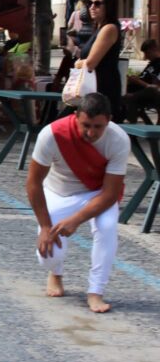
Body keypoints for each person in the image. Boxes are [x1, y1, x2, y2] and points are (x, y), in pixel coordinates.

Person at [27, 93, 127, 313]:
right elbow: (33, 183)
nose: (91, 133)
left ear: (109, 120)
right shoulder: (52, 134)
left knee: (107, 227)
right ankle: (55, 272)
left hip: (97, 193)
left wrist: (77, 219)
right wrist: (45, 226)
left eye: (98, 127)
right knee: (48, 257)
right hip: (59, 190)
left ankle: (95, 291)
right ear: (75, 117)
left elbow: (111, 193)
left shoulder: (119, 139)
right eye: (86, 125)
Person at [76, 0, 124, 122]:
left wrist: (78, 63)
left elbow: (91, 63)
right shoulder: (99, 28)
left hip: (103, 88)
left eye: (97, 4)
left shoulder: (109, 28)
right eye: (90, 3)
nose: (92, 7)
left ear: (108, 6)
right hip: (94, 87)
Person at [124, 39, 160, 124]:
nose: (145, 57)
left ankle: (133, 129)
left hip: (151, 93)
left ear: (154, 49)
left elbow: (156, 88)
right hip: (138, 90)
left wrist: (138, 81)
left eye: (147, 53)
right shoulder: (151, 64)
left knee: (130, 98)